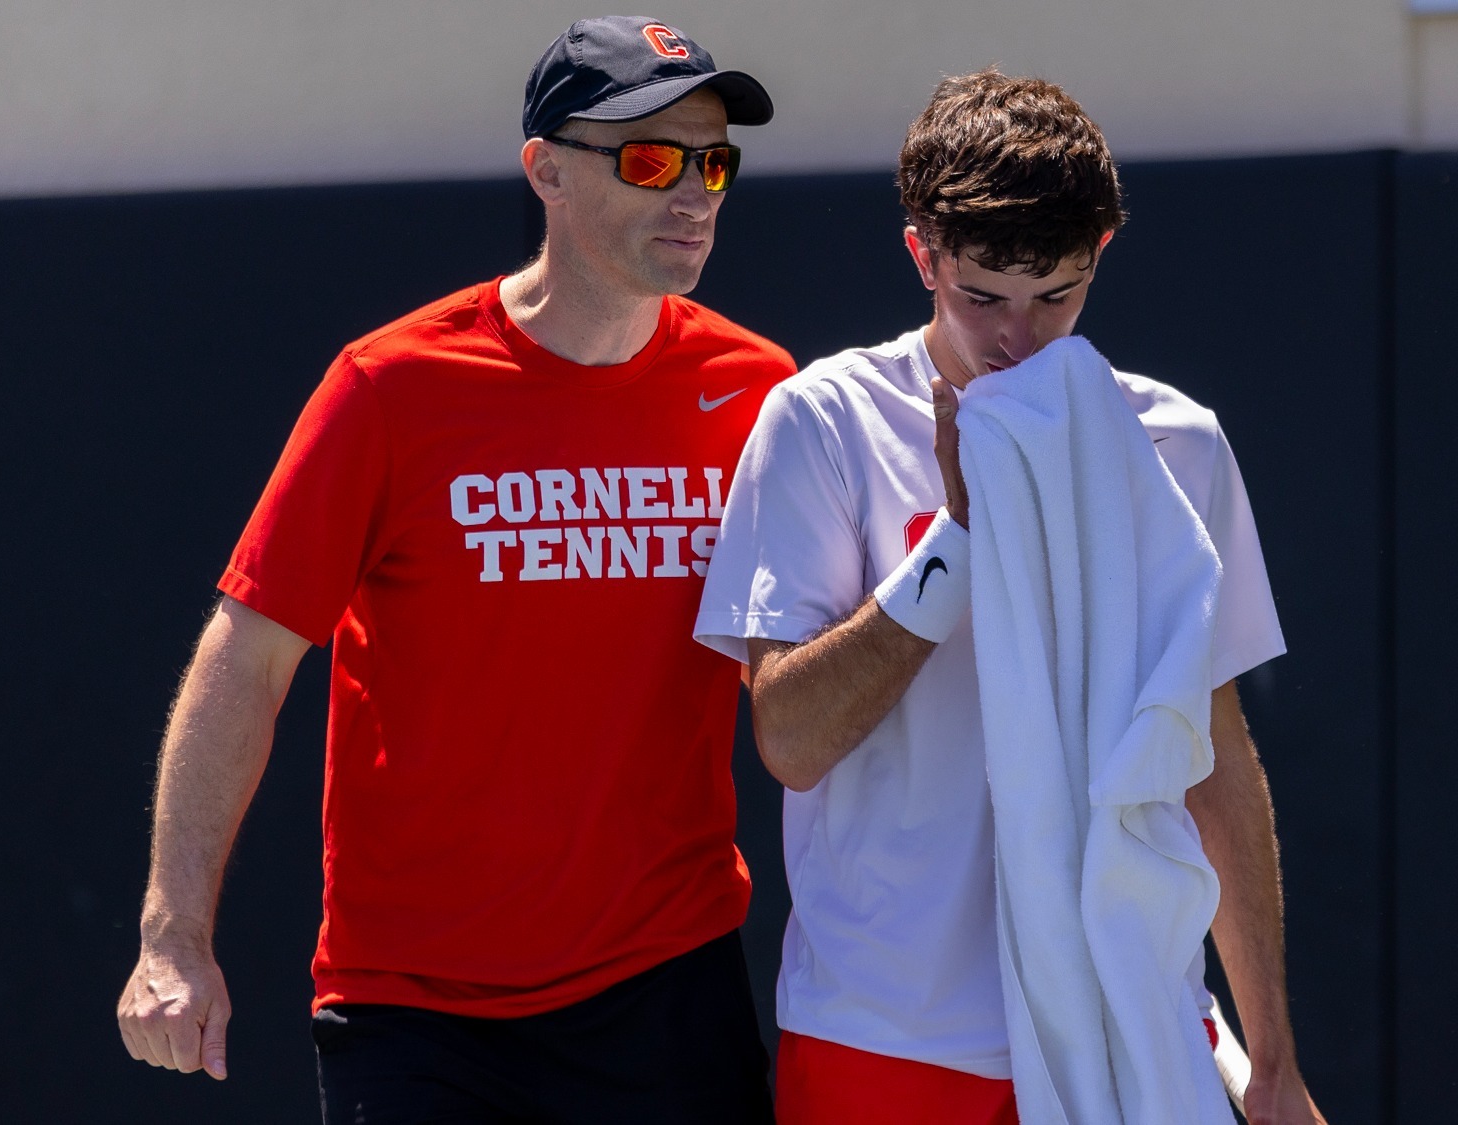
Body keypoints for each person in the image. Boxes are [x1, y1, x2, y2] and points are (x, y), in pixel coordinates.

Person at [114, 17, 794, 1123]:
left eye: (713, 160)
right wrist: (172, 937)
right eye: (652, 158)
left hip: (666, 989)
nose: (694, 194)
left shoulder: (759, 389)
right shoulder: (390, 387)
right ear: (546, 173)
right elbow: (245, 660)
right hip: (415, 1015)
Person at [696, 70, 1329, 1125]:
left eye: (1057, 297)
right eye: (982, 298)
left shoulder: (1177, 442)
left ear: (1100, 259)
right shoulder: (820, 422)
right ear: (921, 256)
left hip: (1127, 1027)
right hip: (883, 1043)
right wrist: (958, 537)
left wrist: (1269, 1059)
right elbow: (790, 740)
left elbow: (1208, 748)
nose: (1018, 341)